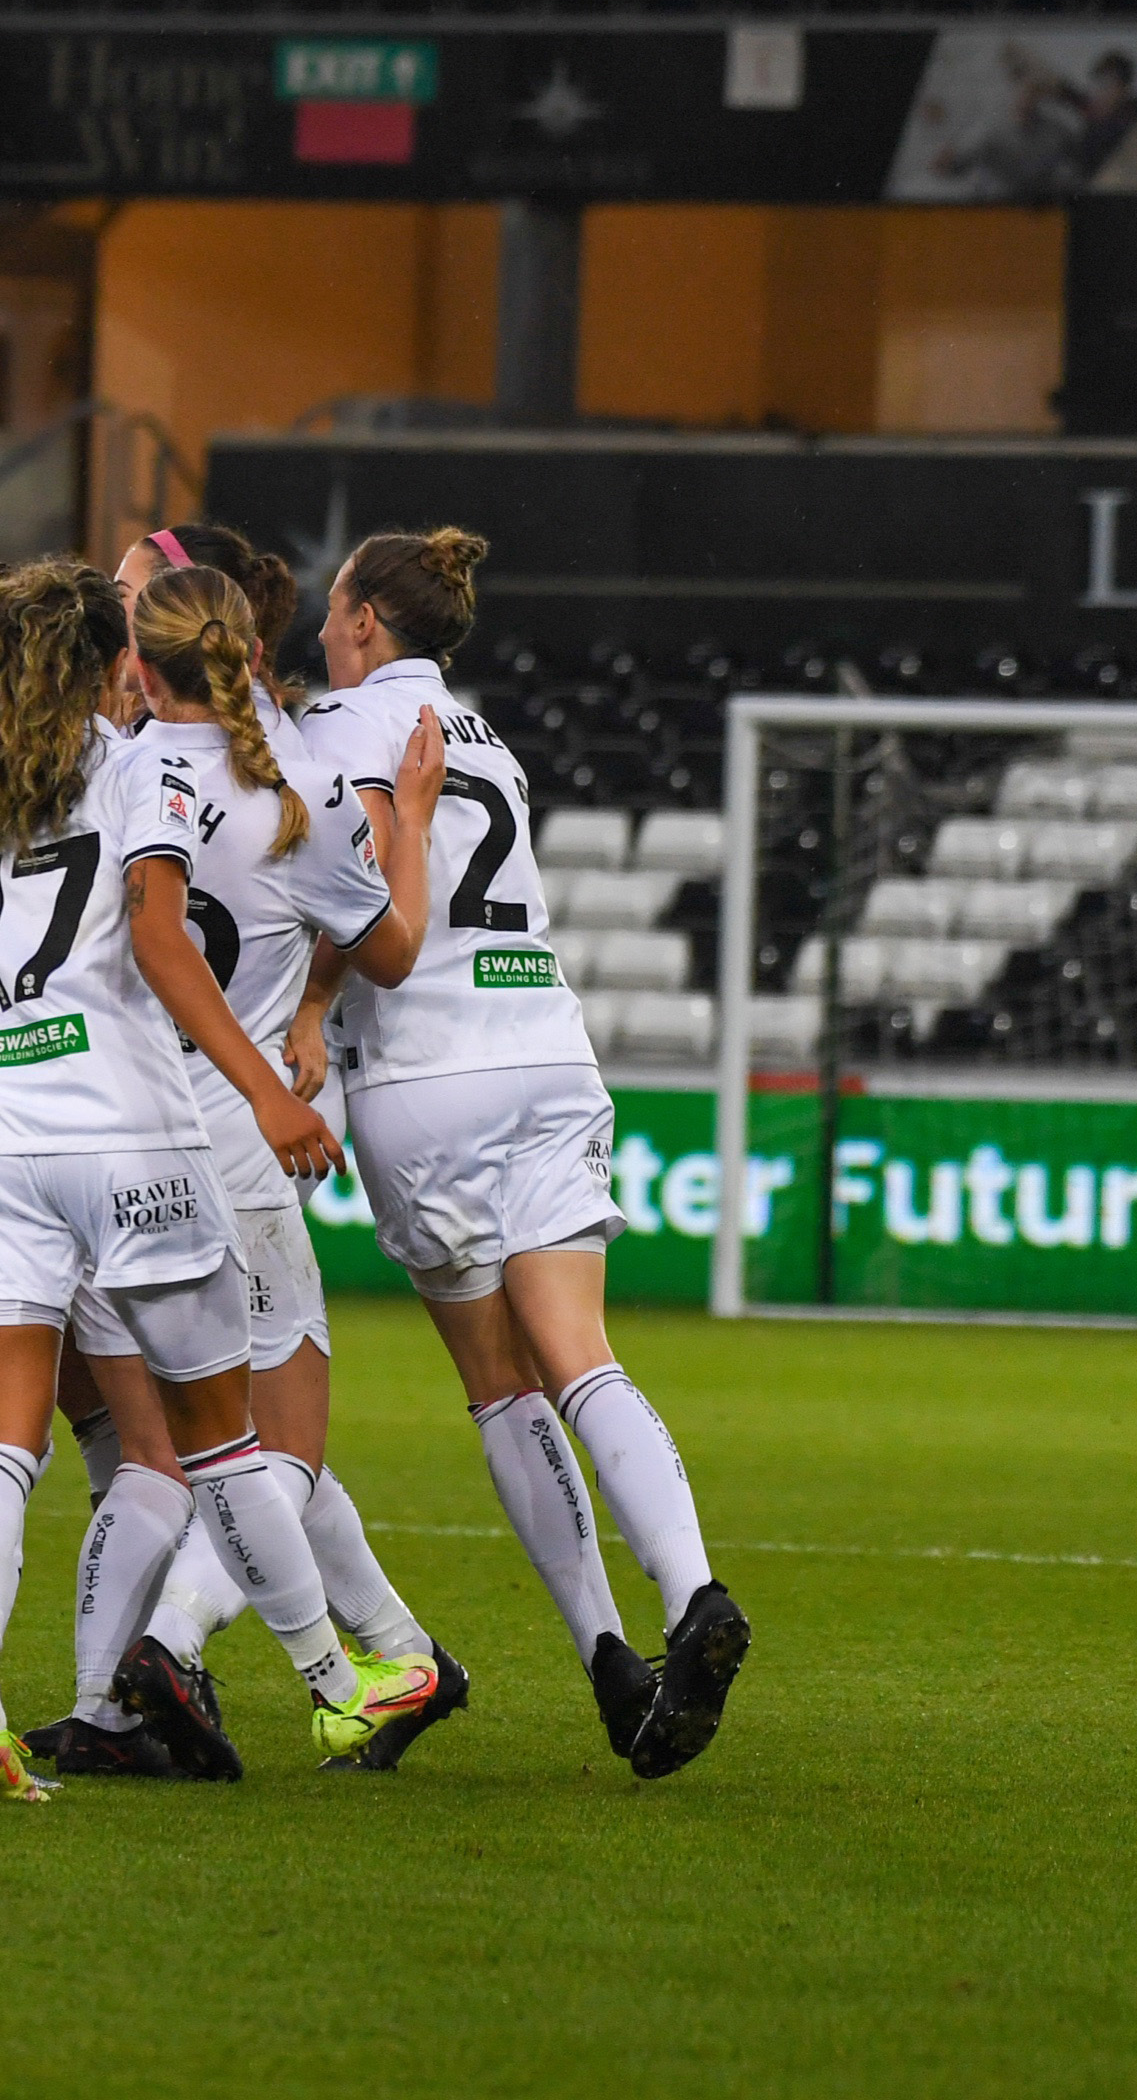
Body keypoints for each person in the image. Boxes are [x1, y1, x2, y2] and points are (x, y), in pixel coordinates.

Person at [0, 562, 440, 1799]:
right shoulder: (141, 774)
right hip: (129, 1140)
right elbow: (165, 943)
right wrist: (267, 1091)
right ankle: (338, 1688)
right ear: (96, 674)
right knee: (213, 1439)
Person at [300, 527, 752, 1776]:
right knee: (583, 1354)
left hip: (425, 1066)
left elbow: (360, 909)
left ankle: (604, 1646)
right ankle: (691, 1595)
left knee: (501, 1384)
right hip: (547, 1046)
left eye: (333, 608)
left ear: (367, 625)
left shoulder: (339, 729)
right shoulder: (485, 735)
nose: (321, 625)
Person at [54, 559, 466, 1779]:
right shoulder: (307, 785)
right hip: (233, 1142)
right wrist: (417, 827)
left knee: (193, 1441)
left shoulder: (107, 774)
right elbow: (387, 951)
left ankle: (390, 1656)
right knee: (266, 1440)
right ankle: (172, 1649)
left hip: (110, 1131)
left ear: (140, 664)